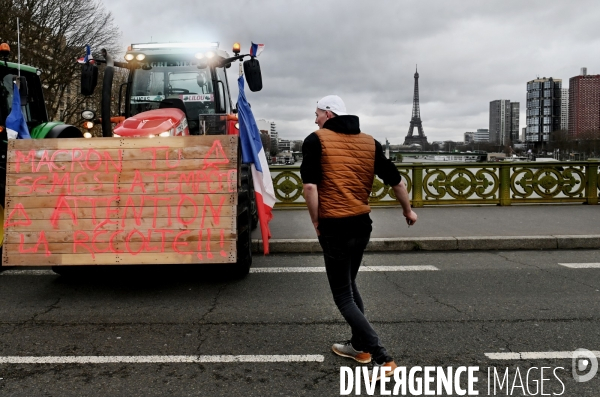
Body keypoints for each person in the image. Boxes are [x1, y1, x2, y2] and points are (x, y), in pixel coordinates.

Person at [300, 95, 418, 379]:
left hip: (335, 226)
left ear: (328, 114)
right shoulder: (370, 142)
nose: (314, 119)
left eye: (316, 113)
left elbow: (310, 189)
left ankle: (381, 356)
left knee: (342, 294)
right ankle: (359, 347)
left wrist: (316, 221)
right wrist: (409, 210)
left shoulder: (316, 140)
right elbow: (397, 181)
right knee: (349, 284)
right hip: (362, 225)